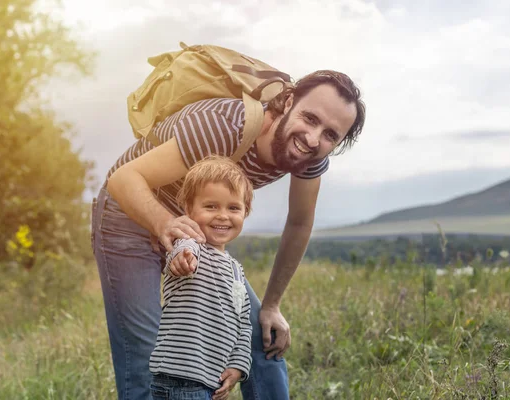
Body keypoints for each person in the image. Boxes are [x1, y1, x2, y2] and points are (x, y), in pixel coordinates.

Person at [90, 69, 366, 400]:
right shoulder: (224, 125)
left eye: (330, 135)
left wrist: (272, 305)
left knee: (261, 341)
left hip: (197, 226)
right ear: (289, 102)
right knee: (147, 363)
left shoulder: (310, 158)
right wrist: (163, 223)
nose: (311, 138)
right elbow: (123, 179)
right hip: (129, 213)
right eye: (309, 118)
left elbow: (299, 223)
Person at [149, 155, 253, 400]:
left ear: (245, 212)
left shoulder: (237, 270)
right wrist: (183, 259)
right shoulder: (190, 244)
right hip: (181, 380)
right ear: (189, 210)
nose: (223, 215)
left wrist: (238, 367)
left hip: (209, 382)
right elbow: (182, 254)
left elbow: (244, 325)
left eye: (233, 208)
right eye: (211, 206)